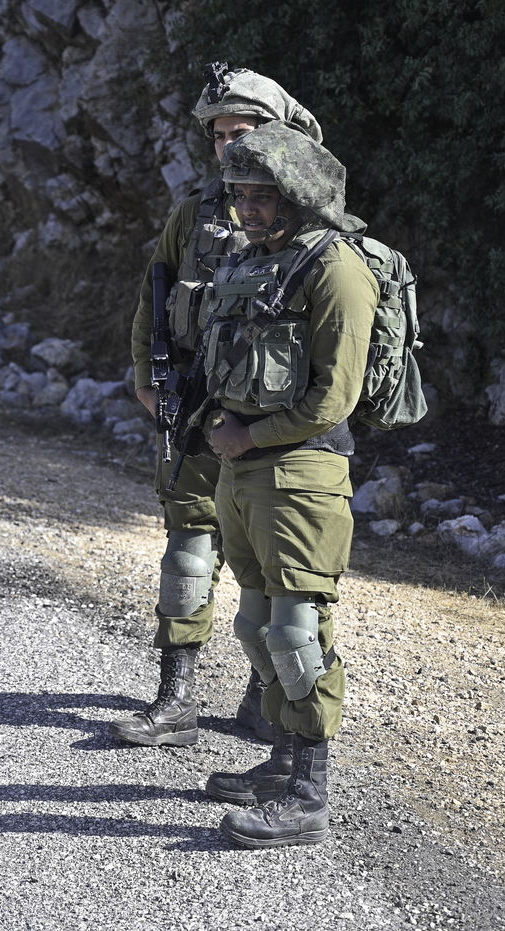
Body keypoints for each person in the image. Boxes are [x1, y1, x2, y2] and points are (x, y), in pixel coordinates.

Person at [112, 65, 322, 749]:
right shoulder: (194, 214)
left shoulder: (309, 219)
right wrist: (147, 377)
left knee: (277, 569)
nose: (229, 146)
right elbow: (154, 293)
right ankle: (176, 699)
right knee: (188, 552)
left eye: (244, 132)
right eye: (220, 135)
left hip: (273, 427)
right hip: (196, 414)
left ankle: (273, 707)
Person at [194, 121, 376, 846]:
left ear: (299, 196)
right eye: (240, 194)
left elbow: (336, 397)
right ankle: (279, 760)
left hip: (302, 471)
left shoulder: (338, 270)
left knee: (298, 632)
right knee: (255, 625)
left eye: (262, 196)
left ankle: (308, 794)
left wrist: (251, 436)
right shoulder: (255, 262)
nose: (247, 208)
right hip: (244, 468)